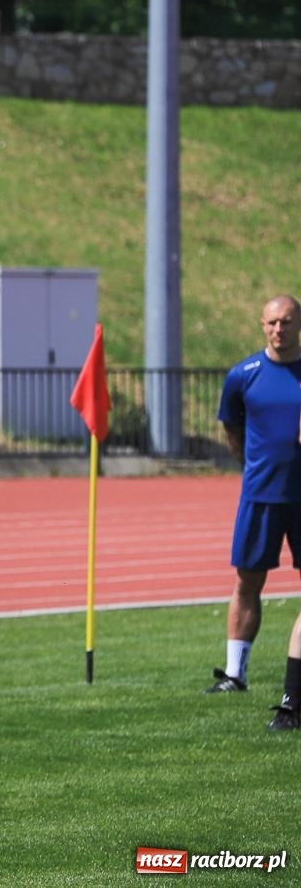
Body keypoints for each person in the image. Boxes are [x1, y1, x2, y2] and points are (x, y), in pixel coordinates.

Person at [209, 296, 301, 716]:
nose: (278, 329)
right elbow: (232, 428)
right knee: (247, 582)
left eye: (286, 321)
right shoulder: (243, 375)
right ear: (262, 325)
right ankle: (234, 674)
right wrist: (253, 467)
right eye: (272, 322)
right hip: (260, 495)